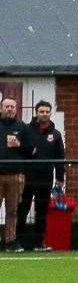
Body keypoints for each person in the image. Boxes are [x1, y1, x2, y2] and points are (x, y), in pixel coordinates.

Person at [19, 100, 64, 252]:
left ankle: (39, 242)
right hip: (26, 177)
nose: (44, 114)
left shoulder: (56, 134)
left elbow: (60, 157)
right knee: (22, 209)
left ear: (50, 113)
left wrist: (60, 177)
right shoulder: (25, 130)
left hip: (45, 178)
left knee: (42, 212)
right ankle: (19, 242)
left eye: (47, 112)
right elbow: (18, 150)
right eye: (41, 111)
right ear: (36, 112)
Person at [0, 98, 34, 252]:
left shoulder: (22, 127)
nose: (10, 109)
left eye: (12, 106)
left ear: (16, 109)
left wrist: (19, 145)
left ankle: (10, 242)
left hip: (16, 175)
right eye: (7, 106)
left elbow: (32, 150)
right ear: (1, 108)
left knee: (13, 211)